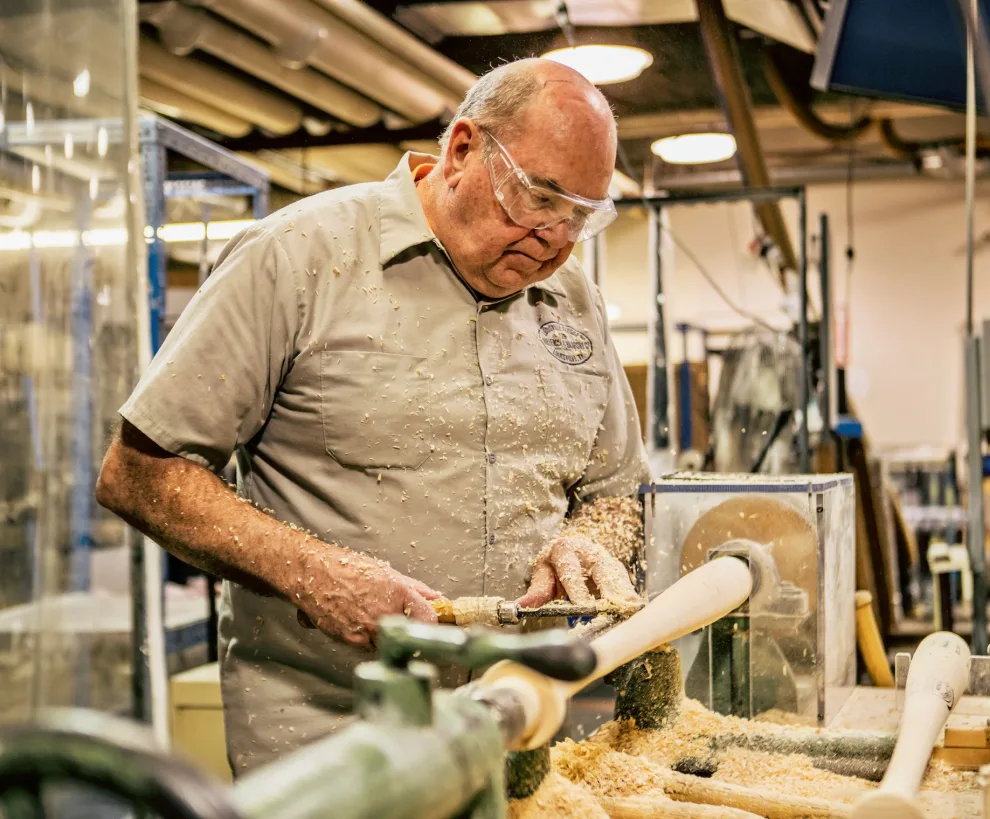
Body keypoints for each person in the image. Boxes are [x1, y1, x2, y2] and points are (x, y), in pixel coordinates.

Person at [96, 57, 649, 775]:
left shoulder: (573, 299)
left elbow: (616, 493)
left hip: (517, 739)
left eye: (580, 216)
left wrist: (589, 538)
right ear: (461, 151)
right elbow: (139, 473)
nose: (555, 237)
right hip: (334, 752)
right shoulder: (297, 259)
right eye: (537, 196)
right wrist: (309, 570)